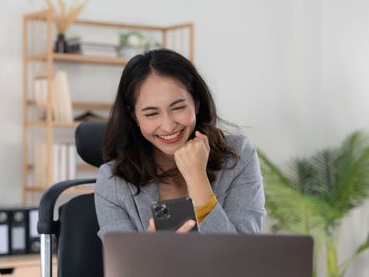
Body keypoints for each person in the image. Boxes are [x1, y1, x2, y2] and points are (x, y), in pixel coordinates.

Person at [94, 49, 265, 240]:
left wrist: (197, 178)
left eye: (178, 108)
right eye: (151, 114)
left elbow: (241, 259)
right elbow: (125, 266)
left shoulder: (238, 156)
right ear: (134, 116)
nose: (168, 126)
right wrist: (150, 254)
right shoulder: (112, 182)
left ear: (197, 103)